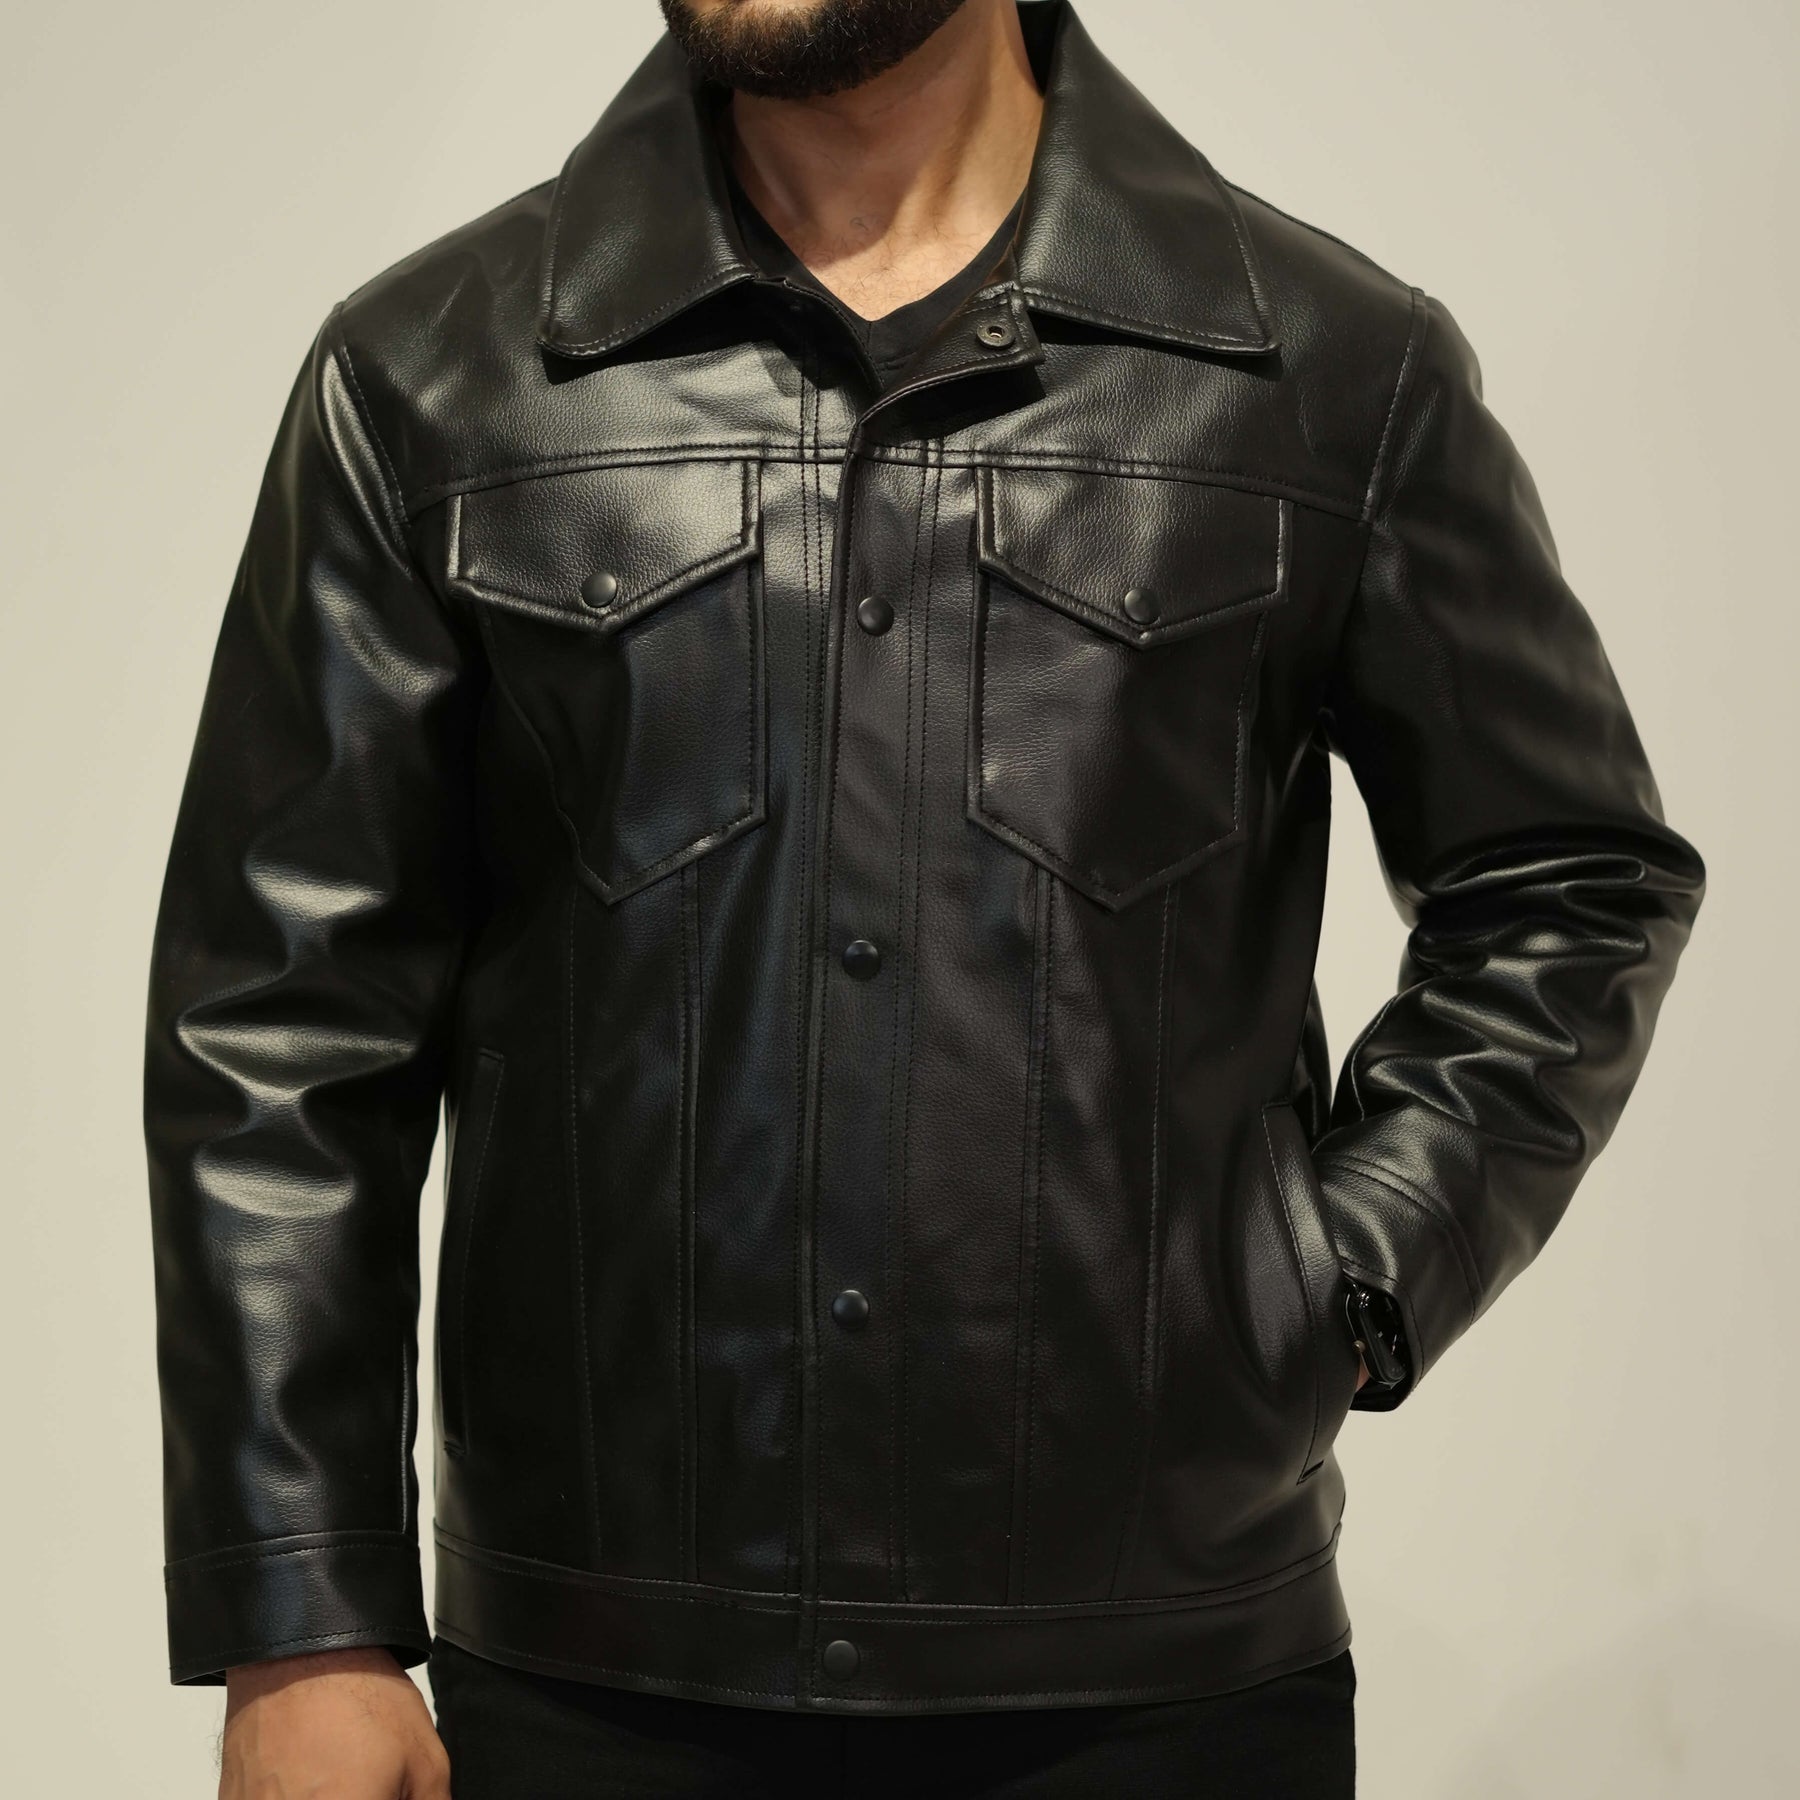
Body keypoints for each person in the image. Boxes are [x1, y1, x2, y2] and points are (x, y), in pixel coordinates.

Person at [141, 1, 1707, 1794]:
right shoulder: (431, 379)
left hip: (1165, 1698)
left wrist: (1340, 1277)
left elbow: (1571, 878)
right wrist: (304, 1621)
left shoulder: (1330, 374)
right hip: (594, 1696)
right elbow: (282, 1020)